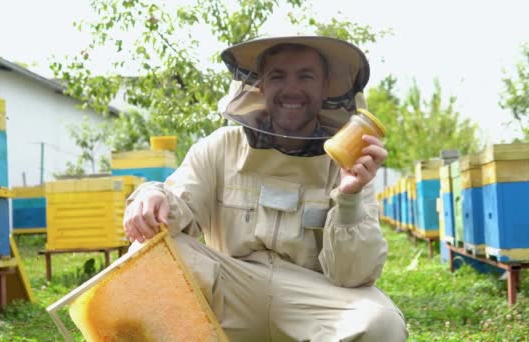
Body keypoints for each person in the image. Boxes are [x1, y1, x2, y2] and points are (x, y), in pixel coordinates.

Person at [123, 35, 408, 341]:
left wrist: (349, 197)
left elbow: (352, 276)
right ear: (260, 85)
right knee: (146, 255)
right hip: (228, 290)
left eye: (306, 76)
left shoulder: (346, 163)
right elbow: (177, 202)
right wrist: (152, 196)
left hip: (309, 298)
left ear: (326, 87)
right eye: (278, 76)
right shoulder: (220, 147)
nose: (292, 89)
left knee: (382, 322)